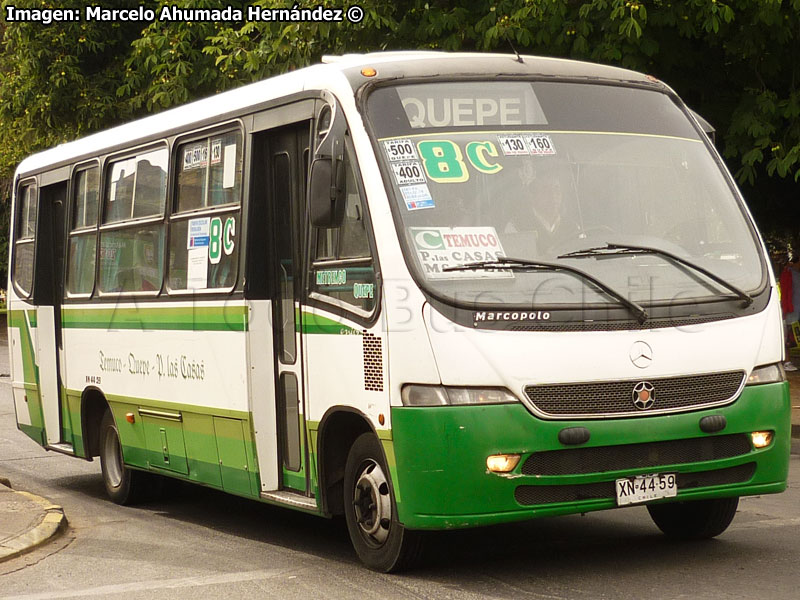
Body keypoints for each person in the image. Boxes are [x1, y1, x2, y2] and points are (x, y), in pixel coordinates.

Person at [780, 254, 800, 371]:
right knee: (789, 337)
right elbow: (785, 291)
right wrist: (786, 308)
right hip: (791, 310)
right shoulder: (788, 272)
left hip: (796, 309)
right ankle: (787, 362)